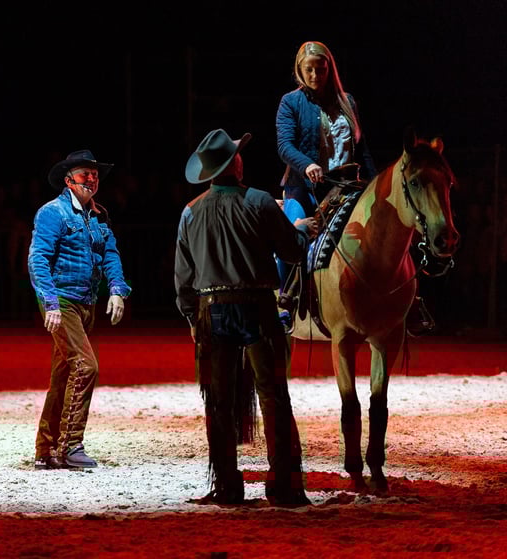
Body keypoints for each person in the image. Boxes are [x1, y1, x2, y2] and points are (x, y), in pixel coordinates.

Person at [174, 128, 312, 507]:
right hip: (256, 306)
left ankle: (227, 485)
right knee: (273, 395)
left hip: (211, 309)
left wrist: (191, 318)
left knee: (218, 400)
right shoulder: (260, 201)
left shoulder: (191, 211)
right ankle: (282, 483)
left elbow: (183, 278)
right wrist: (300, 229)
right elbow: (293, 251)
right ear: (235, 163)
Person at [27, 149, 131, 470]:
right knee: (86, 367)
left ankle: (46, 448)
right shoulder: (52, 213)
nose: (92, 179)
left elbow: (110, 254)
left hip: (86, 304)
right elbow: (38, 259)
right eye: (86, 174)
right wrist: (50, 303)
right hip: (64, 302)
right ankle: (71, 444)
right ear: (69, 179)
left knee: (64, 375)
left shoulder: (98, 215)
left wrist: (116, 290)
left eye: (95, 175)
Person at [275, 40, 381, 328]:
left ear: (329, 69)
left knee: (382, 231)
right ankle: (284, 299)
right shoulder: (291, 102)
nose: (314, 76)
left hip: (346, 187)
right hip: (304, 187)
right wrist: (307, 164)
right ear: (299, 70)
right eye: (308, 70)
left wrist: (375, 184)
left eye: (320, 70)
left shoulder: (348, 101)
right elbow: (284, 145)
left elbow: (362, 149)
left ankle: (398, 299)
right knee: (291, 232)